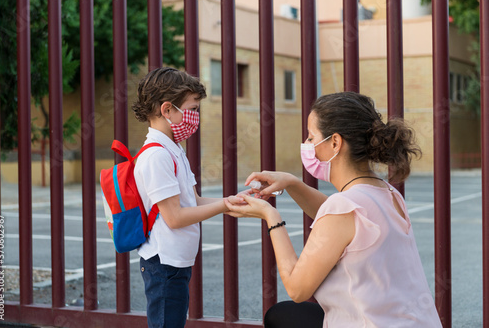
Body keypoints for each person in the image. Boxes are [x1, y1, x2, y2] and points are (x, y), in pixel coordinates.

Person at [225, 91, 442, 327]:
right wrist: (293, 183)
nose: (307, 145)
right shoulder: (388, 193)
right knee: (285, 314)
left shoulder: (343, 208)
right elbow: (343, 222)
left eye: (311, 137)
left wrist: (270, 216)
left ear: (335, 142)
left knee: (282, 315)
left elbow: (297, 289)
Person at [132, 67, 243, 328]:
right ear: (167, 109)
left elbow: (192, 201)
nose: (195, 117)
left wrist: (234, 199)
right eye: (192, 109)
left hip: (174, 262)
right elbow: (175, 217)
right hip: (164, 264)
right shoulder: (156, 155)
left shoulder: (173, 150)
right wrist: (225, 205)